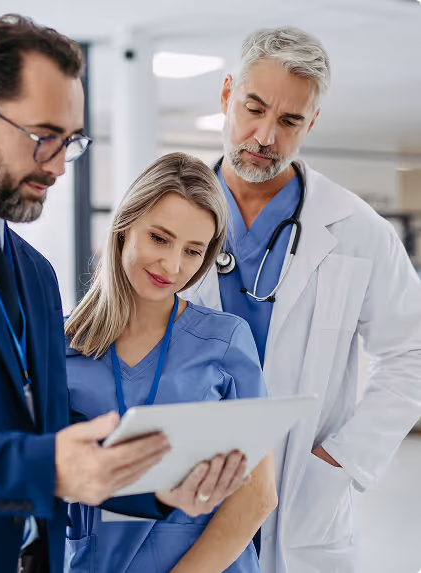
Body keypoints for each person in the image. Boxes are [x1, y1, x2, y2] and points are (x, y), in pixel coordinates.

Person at [0, 15, 248, 573]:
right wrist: (40, 468)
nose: (58, 165)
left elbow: (46, 435)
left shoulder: (35, 271)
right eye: (43, 137)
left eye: (71, 142)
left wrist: (152, 491)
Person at [182, 27, 421, 573]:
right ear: (226, 96)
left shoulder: (356, 228)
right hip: (187, 481)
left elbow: (413, 350)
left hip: (302, 497)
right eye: (254, 107)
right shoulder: (167, 212)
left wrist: (343, 457)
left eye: (290, 121)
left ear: (311, 123)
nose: (265, 135)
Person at [64, 152, 278, 573]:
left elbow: (258, 495)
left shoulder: (224, 340)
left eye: (194, 251)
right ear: (125, 227)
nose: (173, 265)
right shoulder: (59, 344)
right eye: (159, 238)